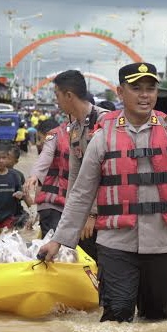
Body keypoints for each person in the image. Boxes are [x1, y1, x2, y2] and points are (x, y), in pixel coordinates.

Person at [38, 62, 167, 322]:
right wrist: (59, 240)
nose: (144, 95)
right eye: (136, 89)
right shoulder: (102, 137)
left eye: (150, 88)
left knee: (157, 318)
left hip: (163, 243)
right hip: (116, 244)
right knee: (117, 316)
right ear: (120, 93)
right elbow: (81, 193)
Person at [50, 69, 109, 261]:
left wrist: (92, 215)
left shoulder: (106, 122)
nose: (56, 101)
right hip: (86, 212)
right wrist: (70, 221)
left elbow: (108, 174)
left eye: (57, 95)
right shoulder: (75, 129)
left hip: (108, 213)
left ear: (69, 95)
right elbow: (75, 178)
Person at [25, 118, 69, 236]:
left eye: (40, 138)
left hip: (50, 207)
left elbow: (41, 186)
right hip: (62, 208)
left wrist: (35, 210)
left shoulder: (47, 159)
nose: (38, 143)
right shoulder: (66, 152)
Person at [0, 143, 25, 235]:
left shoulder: (15, 175)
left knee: (8, 240)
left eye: (4, 158)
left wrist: (20, 194)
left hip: (9, 216)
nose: (1, 161)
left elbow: (21, 192)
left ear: (8, 159)